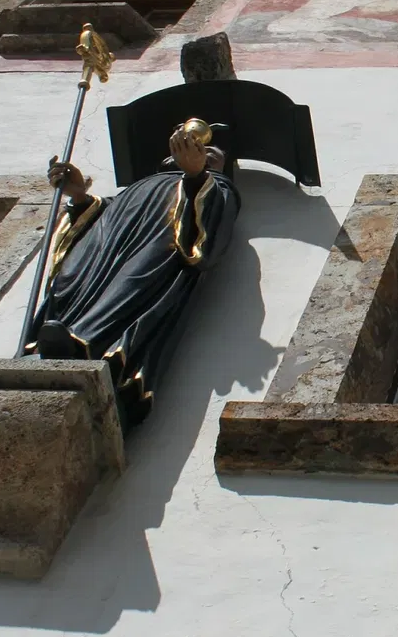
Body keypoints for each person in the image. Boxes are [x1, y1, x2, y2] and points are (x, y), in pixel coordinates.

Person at [24, 119, 241, 428]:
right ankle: (56, 335)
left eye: (207, 151)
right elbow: (103, 214)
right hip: (108, 244)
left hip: (158, 244)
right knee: (73, 277)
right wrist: (80, 198)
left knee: (132, 285)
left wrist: (196, 175)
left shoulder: (217, 186)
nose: (192, 149)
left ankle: (86, 345)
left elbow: (208, 234)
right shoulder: (137, 186)